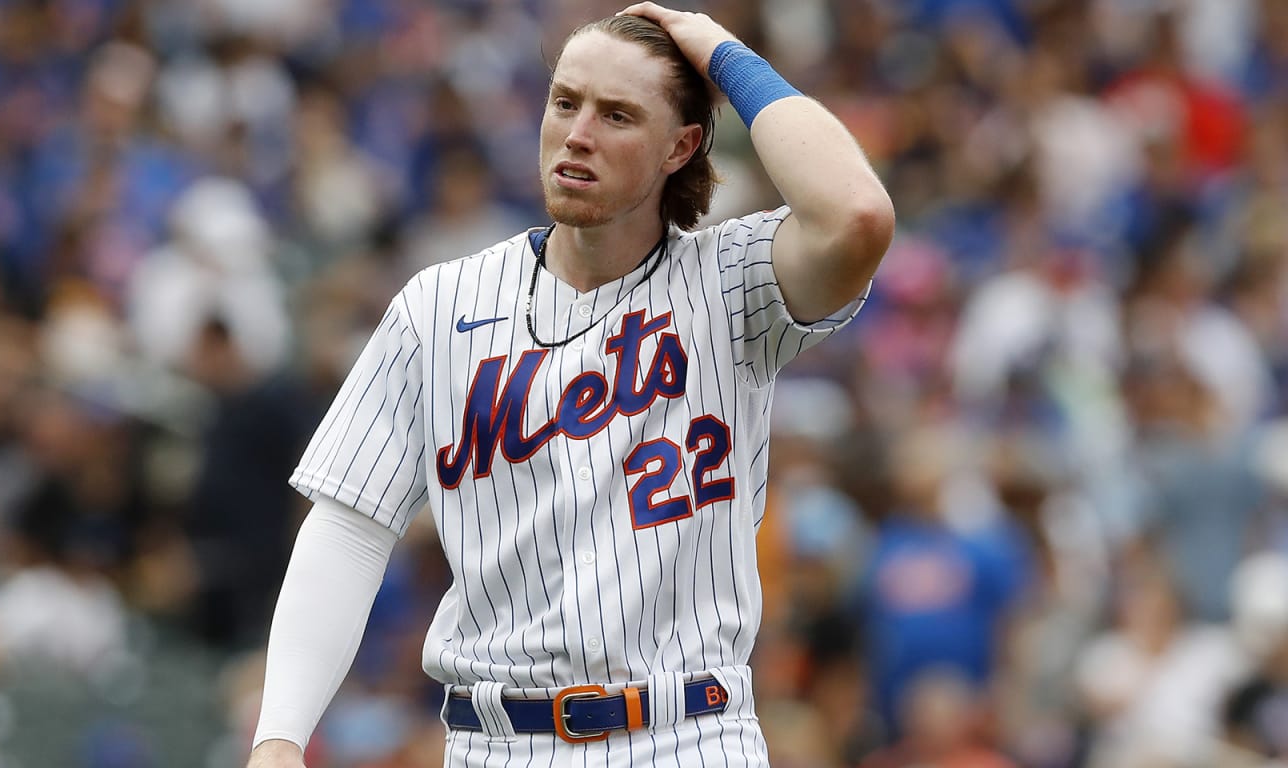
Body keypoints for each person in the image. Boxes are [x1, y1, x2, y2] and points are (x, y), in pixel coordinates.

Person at [248, 3, 893, 765]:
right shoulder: (439, 305)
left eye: (617, 114)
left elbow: (855, 214)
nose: (578, 133)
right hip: (494, 741)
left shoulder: (731, 283)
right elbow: (349, 526)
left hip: (686, 733)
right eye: (565, 102)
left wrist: (719, 53)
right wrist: (280, 738)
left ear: (680, 145)